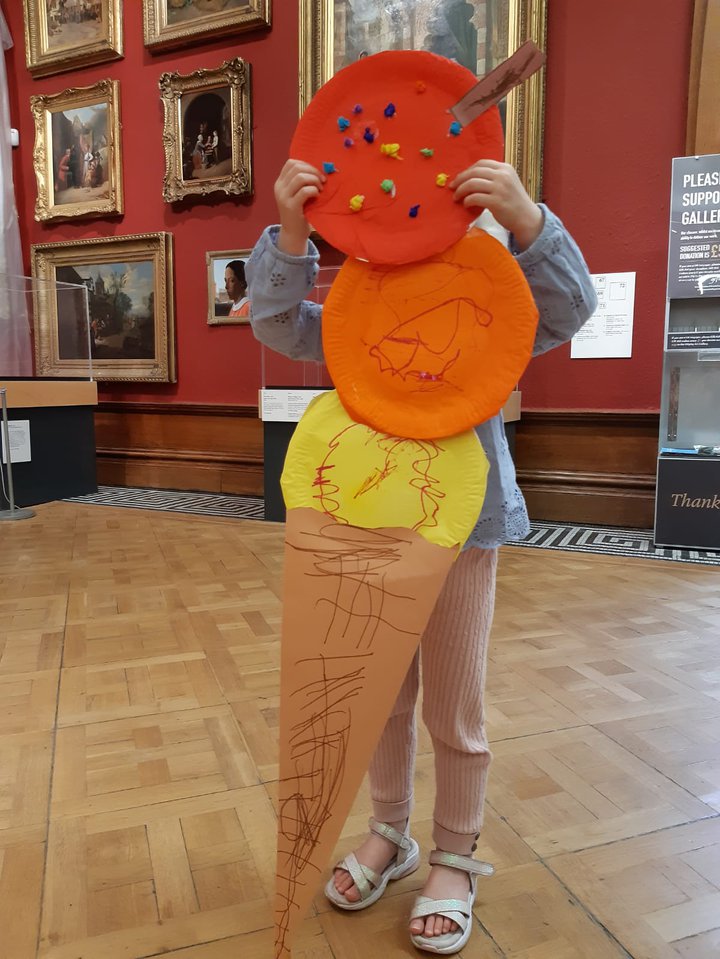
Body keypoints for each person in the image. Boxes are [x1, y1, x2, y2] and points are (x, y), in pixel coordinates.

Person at [246, 157, 597, 954]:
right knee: (382, 695)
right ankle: (391, 832)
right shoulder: (361, 301)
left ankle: (456, 854)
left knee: (453, 705)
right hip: (367, 519)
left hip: (461, 525)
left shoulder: (491, 299)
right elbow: (276, 323)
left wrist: (528, 221)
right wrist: (293, 234)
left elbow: (569, 308)